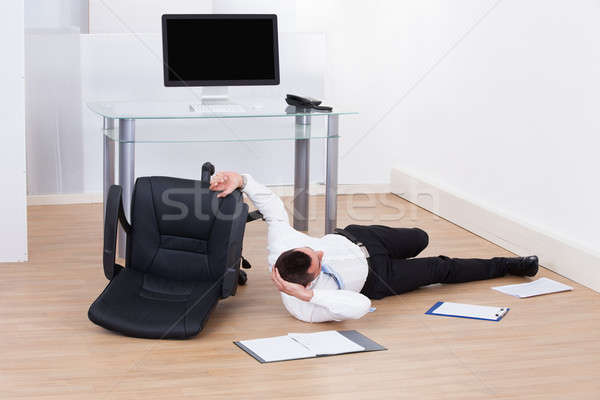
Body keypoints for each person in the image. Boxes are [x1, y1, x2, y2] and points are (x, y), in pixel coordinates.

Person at [209, 171, 539, 323]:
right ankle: (511, 265)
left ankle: (410, 242)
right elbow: (360, 305)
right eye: (318, 262)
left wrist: (242, 180)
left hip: (363, 238)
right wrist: (313, 297)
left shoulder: (282, 244)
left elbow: (271, 206)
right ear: (306, 283)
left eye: (314, 249)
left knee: (420, 238)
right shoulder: (304, 307)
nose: (319, 251)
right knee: (441, 268)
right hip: (379, 276)